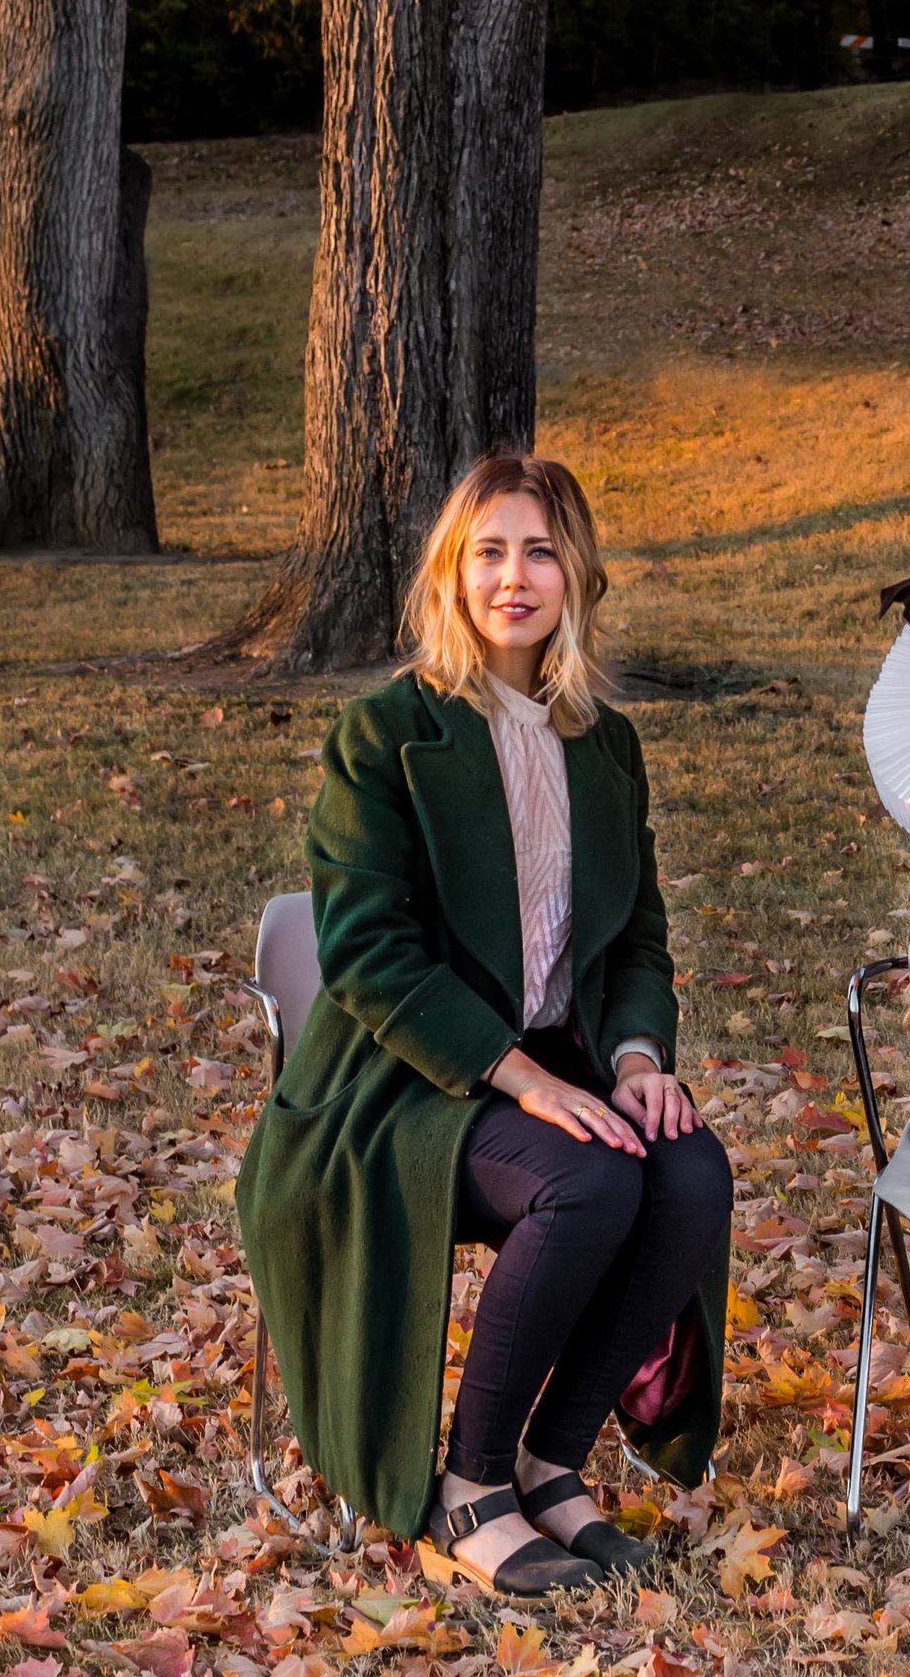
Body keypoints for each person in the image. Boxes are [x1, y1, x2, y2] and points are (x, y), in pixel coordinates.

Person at [237, 453, 731, 1593]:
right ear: (452, 573)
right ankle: (469, 1489)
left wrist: (640, 1060)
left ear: (577, 575)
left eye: (542, 551)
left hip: (557, 1068)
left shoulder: (602, 744)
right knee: (589, 1181)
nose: (516, 577)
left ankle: (551, 1464)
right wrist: (524, 1081)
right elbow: (365, 952)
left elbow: (636, 940)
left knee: (689, 1173)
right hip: (398, 1087)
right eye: (491, 551)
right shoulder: (387, 735)